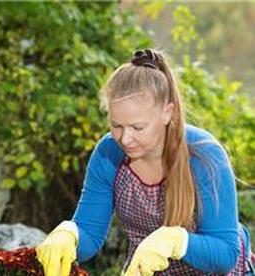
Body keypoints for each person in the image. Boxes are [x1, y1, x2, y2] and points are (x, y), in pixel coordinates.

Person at [35, 49, 254, 276]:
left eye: (138, 127)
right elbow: (90, 233)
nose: (125, 138)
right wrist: (70, 235)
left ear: (167, 113)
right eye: (116, 126)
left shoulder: (204, 155)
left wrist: (176, 240)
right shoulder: (108, 153)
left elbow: (225, 255)